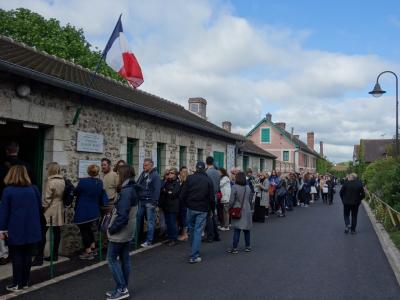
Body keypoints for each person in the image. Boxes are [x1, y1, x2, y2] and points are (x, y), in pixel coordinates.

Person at [0, 165, 42, 292]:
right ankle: (25, 282)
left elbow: (4, 212)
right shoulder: (34, 189)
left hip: (15, 227)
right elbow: (39, 207)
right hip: (32, 226)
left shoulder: (8, 190)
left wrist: (2, 230)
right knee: (27, 255)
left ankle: (17, 283)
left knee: (17, 255)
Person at [105, 165, 138, 300]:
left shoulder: (126, 192)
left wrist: (111, 229)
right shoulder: (132, 188)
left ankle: (121, 288)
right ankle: (123, 287)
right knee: (125, 259)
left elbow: (122, 216)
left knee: (111, 259)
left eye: (118, 174)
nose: (116, 176)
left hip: (120, 231)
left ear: (123, 175)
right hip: (128, 230)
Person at [0, 142, 33, 265]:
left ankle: (4, 254)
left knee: (3, 226)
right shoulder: (26, 165)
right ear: (17, 150)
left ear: (7, 151)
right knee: (19, 224)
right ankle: (17, 252)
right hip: (24, 201)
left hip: (3, 198)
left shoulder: (2, 166)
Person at [180, 161, 214, 263]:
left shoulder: (190, 178)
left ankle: (194, 251)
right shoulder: (208, 180)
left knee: (191, 230)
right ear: (204, 169)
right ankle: (194, 255)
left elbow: (182, 194)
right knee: (198, 231)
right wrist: (212, 210)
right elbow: (212, 198)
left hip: (191, 208)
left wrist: (186, 204)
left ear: (196, 168)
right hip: (202, 209)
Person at [32, 162, 65, 266]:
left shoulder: (50, 181)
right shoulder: (62, 180)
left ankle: (39, 258)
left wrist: (43, 208)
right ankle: (54, 255)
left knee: (42, 232)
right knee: (56, 232)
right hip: (59, 207)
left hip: (50, 208)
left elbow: (47, 199)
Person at [74, 164, 108, 260]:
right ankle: (93, 246)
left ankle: (88, 251)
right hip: (94, 210)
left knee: (84, 230)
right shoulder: (100, 182)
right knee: (88, 228)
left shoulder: (83, 182)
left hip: (83, 210)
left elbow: (76, 192)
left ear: (88, 172)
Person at [136, 159, 161, 248]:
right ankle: (135, 238)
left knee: (150, 222)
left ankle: (149, 240)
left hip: (150, 202)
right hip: (141, 200)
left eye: (146, 165)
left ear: (151, 165)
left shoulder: (155, 175)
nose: (144, 166)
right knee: (137, 219)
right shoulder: (143, 174)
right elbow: (139, 185)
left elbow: (157, 190)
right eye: (144, 165)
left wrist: (154, 202)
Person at [227, 172, 253, 254]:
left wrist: (229, 208)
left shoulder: (234, 187)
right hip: (247, 209)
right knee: (246, 229)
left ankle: (235, 248)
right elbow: (250, 199)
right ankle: (248, 246)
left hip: (237, 209)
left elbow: (231, 200)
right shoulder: (248, 187)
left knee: (237, 230)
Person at [159, 168, 181, 246]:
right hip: (166, 206)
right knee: (168, 223)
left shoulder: (177, 183)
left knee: (172, 223)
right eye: (168, 173)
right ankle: (170, 238)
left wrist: (167, 191)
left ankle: (174, 239)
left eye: (171, 173)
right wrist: (167, 191)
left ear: (175, 175)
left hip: (173, 206)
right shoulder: (167, 181)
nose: (169, 174)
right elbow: (161, 189)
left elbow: (173, 194)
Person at [205, 156, 220, 242]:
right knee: (214, 215)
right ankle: (216, 235)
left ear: (206, 163)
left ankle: (210, 236)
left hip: (208, 195)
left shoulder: (207, 172)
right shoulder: (217, 172)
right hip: (215, 194)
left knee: (209, 216)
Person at [178, 166, 189, 241]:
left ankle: (185, 235)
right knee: (182, 218)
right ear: (180, 172)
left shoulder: (187, 181)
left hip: (185, 203)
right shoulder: (180, 181)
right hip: (180, 203)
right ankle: (183, 234)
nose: (185, 173)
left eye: (186, 171)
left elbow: (184, 193)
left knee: (184, 219)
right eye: (183, 171)